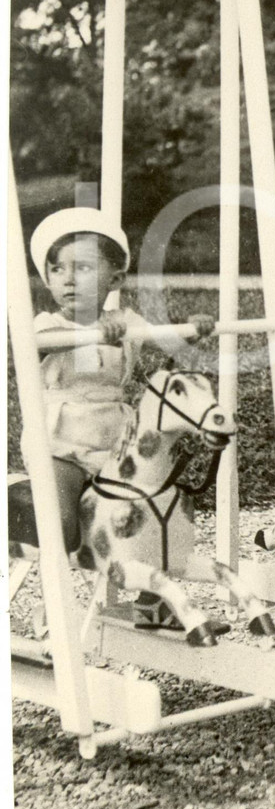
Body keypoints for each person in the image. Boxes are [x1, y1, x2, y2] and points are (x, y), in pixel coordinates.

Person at [10, 207, 215, 626]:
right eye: (56, 269)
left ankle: (148, 601)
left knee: (143, 512)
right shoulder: (48, 323)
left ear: (115, 279)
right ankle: (51, 602)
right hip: (62, 445)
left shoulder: (125, 321)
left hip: (112, 443)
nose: (67, 278)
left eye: (82, 268)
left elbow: (164, 340)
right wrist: (90, 334)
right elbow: (37, 344)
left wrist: (193, 329)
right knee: (63, 522)